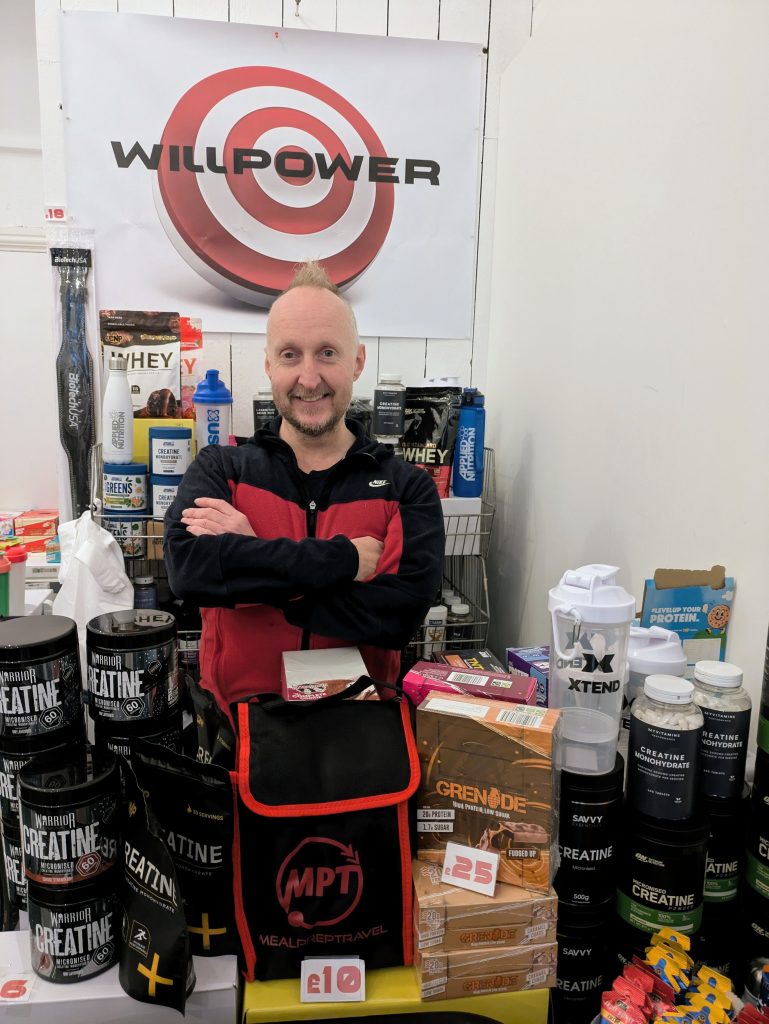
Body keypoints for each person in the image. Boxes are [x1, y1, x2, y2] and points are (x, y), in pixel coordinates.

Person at [164, 261, 445, 709]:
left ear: (357, 362)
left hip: (361, 747)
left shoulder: (406, 488)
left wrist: (253, 559)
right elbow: (189, 571)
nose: (309, 378)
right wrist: (345, 559)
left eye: (328, 353)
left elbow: (395, 617)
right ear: (269, 364)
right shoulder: (222, 468)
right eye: (291, 354)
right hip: (239, 745)